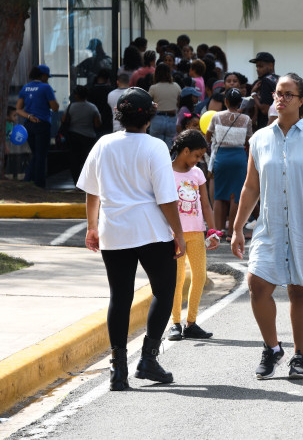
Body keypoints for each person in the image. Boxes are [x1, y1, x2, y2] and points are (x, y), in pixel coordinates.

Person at [77, 87, 186, 391]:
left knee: (120, 297)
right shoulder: (155, 147)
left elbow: (91, 189)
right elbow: (166, 199)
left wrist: (92, 226)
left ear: (119, 115)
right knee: (164, 292)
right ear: (149, 116)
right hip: (151, 230)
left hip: (114, 230)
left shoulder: (104, 144)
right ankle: (148, 359)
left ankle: (118, 371)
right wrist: (179, 234)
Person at [231, 73, 303, 380]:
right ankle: (272, 347)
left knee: (300, 292)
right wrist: (237, 228)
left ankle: (300, 356)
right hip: (270, 227)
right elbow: (251, 187)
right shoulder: (259, 139)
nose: (281, 98)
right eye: (278, 93)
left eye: (288, 94)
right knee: (257, 285)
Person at [168, 129, 219, 342]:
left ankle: (191, 322)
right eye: (196, 156)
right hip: (172, 235)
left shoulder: (196, 173)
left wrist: (213, 231)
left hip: (196, 233)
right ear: (185, 150)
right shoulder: (166, 172)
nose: (198, 161)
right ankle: (175, 323)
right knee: (177, 280)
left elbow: (206, 204)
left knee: (200, 276)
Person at [205, 88, 252, 237]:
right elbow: (248, 140)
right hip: (239, 157)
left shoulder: (217, 117)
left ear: (225, 101)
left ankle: (218, 232)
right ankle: (232, 231)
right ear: (240, 103)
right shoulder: (246, 119)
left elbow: (208, 135)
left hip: (221, 157)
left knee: (219, 195)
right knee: (236, 195)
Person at [15, 65, 59, 188]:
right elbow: (55, 108)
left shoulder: (25, 88)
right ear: (43, 76)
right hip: (42, 124)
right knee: (41, 155)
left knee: (36, 154)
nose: (48, 79)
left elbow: (18, 109)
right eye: (47, 76)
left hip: (28, 125)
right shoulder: (46, 88)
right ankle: (39, 184)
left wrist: (29, 117)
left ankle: (28, 180)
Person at [62, 85, 101, 185]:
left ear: (76, 95)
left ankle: (77, 183)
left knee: (74, 161)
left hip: (74, 136)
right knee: (87, 160)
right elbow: (97, 123)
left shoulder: (70, 107)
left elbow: (63, 120)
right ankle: (88, 183)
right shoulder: (92, 107)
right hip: (89, 137)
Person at [148, 63, 182, 149]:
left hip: (157, 118)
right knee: (170, 148)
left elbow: (148, 103)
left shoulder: (153, 88)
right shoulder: (176, 86)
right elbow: (179, 102)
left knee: (155, 147)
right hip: (172, 119)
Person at [250, 52, 279, 130]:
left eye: (261, 66)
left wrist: (253, 94)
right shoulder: (279, 79)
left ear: (271, 65)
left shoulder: (265, 81)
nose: (257, 69)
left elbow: (265, 110)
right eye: (257, 66)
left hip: (267, 125)